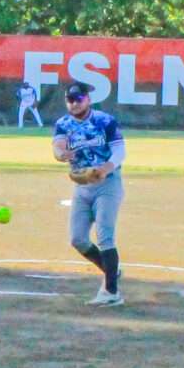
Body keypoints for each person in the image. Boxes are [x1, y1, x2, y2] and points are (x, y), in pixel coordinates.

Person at [50, 81, 126, 306]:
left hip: (107, 185)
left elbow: (119, 150)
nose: (74, 104)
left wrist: (107, 168)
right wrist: (61, 154)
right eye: (70, 100)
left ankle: (111, 292)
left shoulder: (105, 121)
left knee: (105, 235)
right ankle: (111, 270)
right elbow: (58, 146)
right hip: (82, 187)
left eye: (78, 99)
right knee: (78, 239)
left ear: (88, 99)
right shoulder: (63, 124)